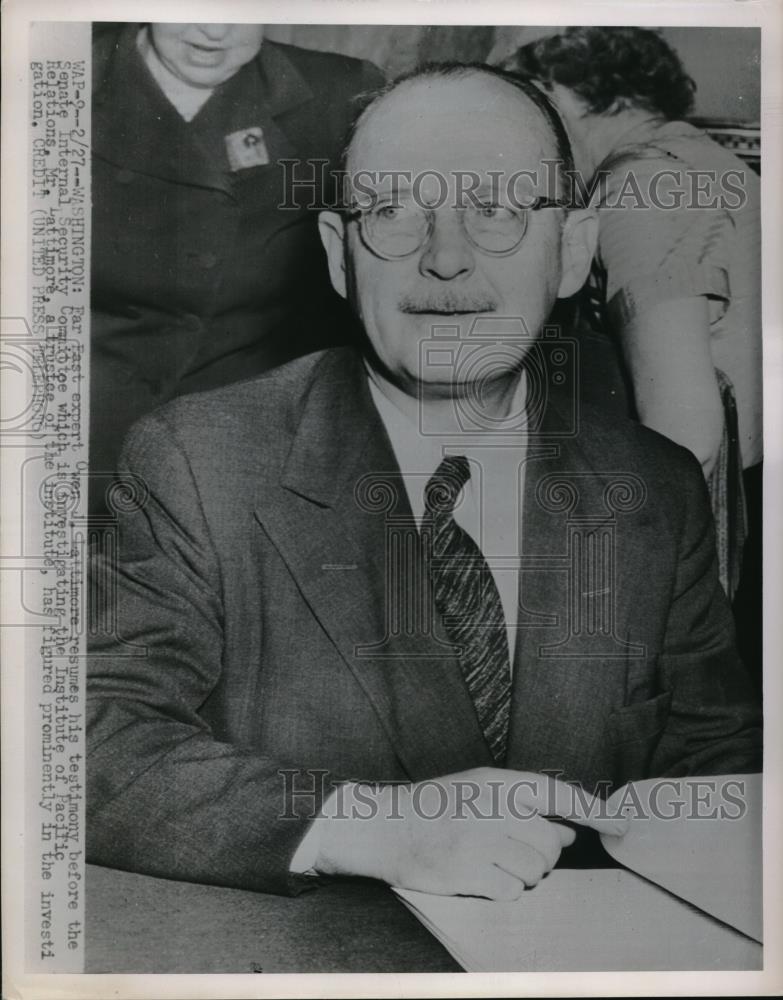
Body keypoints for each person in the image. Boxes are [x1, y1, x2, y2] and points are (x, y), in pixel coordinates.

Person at [87, 64, 761, 900]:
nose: (445, 258)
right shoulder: (200, 460)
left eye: (497, 211)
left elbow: (720, 779)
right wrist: (368, 825)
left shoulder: (653, 489)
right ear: (339, 256)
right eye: (394, 213)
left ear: (573, 253)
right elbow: (84, 738)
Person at [504, 27, 762, 600]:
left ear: (560, 88)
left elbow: (685, 433)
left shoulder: (644, 185)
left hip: (700, 525)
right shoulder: (713, 164)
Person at [90, 22, 383, 515]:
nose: (214, 27)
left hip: (248, 427)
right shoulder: (55, 77)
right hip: (84, 426)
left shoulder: (340, 93)